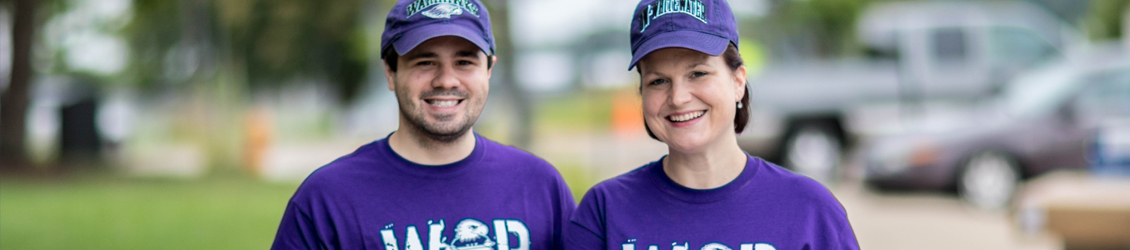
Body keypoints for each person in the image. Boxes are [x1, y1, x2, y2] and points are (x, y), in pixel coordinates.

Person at [271, 0, 575, 249]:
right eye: (425, 62)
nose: (446, 80)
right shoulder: (327, 199)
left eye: (465, 62)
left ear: (489, 70)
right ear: (390, 72)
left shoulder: (539, 186)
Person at [565, 0, 859, 249]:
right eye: (658, 81)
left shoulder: (809, 210)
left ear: (737, 81)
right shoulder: (604, 212)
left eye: (698, 73)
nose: (678, 98)